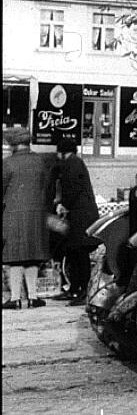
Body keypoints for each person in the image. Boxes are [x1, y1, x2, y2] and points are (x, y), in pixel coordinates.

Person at [2, 126, 56, 309]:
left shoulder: (7, 163)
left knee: (15, 257)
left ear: (13, 145)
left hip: (12, 215)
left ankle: (15, 298)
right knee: (32, 257)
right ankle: (33, 297)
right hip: (36, 215)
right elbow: (48, 188)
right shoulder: (40, 162)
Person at [53, 138, 102, 306]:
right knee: (73, 251)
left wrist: (63, 205)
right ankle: (74, 288)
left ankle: (82, 290)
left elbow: (72, 189)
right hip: (80, 214)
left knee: (80, 252)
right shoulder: (75, 162)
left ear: (62, 151)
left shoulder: (71, 164)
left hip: (81, 215)